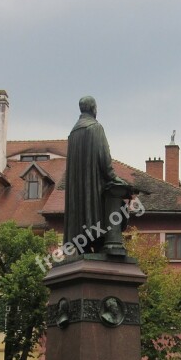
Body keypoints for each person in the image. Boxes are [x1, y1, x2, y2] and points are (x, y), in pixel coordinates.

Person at [63, 96, 127, 254]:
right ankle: (99, 240)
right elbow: (103, 157)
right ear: (93, 109)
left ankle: (82, 243)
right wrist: (113, 177)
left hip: (77, 191)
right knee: (110, 212)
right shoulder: (95, 128)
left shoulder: (73, 132)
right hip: (93, 188)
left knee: (81, 217)